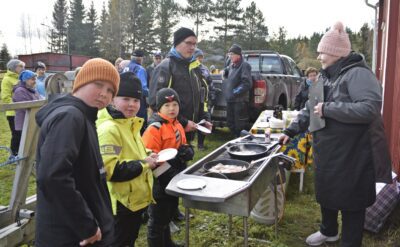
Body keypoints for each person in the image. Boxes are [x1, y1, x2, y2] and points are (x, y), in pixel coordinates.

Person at [279, 22, 392, 247]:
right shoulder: (326, 76)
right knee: (327, 193)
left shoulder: (358, 74)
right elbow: (311, 109)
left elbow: (369, 109)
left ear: (336, 53)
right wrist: (290, 131)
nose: (319, 56)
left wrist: (330, 108)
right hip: (328, 149)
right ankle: (328, 231)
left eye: (322, 51)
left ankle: (350, 242)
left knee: (352, 202)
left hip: (353, 153)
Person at [35, 58, 120, 246]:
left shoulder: (83, 116)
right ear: (81, 83)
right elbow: (53, 176)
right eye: (98, 84)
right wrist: (86, 226)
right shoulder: (70, 116)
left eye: (110, 91)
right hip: (71, 235)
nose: (103, 94)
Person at [97, 71, 158, 246]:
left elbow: (130, 151)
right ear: (113, 99)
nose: (131, 105)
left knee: (129, 239)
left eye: (136, 100)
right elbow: (110, 171)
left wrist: (147, 154)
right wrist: (144, 164)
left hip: (133, 201)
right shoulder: (110, 128)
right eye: (125, 99)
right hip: (120, 204)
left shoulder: (129, 122)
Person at [143, 88, 194, 247]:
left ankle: (168, 244)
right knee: (157, 221)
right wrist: (169, 176)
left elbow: (183, 143)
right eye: (167, 105)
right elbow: (151, 158)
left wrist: (188, 150)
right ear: (159, 108)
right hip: (160, 182)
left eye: (174, 104)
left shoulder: (177, 123)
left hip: (175, 178)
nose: (172, 108)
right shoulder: (154, 129)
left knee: (168, 214)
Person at [149, 27, 212, 142]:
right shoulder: (165, 67)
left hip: (190, 130)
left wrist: (205, 119)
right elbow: (155, 103)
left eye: (195, 44)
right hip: (169, 132)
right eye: (188, 43)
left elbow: (203, 97)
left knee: (185, 158)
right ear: (177, 43)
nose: (192, 47)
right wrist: (183, 123)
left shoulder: (194, 68)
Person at [222, 44, 252, 137]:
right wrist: (224, 72)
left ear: (238, 55)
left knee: (240, 124)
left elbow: (247, 83)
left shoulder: (244, 65)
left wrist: (235, 92)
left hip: (239, 101)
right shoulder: (232, 65)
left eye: (232, 54)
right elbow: (228, 76)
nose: (230, 56)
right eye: (229, 54)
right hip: (230, 100)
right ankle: (235, 139)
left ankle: (239, 141)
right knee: (230, 122)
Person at [1, 59, 25, 158]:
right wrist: (17, 107)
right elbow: (6, 97)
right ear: (13, 67)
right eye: (20, 66)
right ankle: (13, 155)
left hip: (24, 111)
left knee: (24, 134)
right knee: (16, 135)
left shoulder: (21, 78)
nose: (23, 68)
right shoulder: (7, 79)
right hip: (13, 113)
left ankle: (22, 153)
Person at [11, 70, 40, 151]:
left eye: (35, 79)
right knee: (25, 146)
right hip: (24, 122)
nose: (35, 81)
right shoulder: (20, 91)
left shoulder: (33, 90)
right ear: (25, 80)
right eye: (32, 79)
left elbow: (40, 100)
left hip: (33, 120)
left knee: (33, 143)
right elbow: (25, 107)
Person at [125, 49, 149, 133]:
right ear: (140, 58)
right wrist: (152, 94)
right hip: (137, 101)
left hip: (124, 100)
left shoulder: (126, 67)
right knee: (140, 127)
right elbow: (143, 88)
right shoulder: (140, 69)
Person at [193, 48, 212, 150]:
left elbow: (209, 81)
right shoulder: (191, 68)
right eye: (198, 57)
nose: (200, 59)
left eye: (201, 57)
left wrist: (212, 93)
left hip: (204, 100)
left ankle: (200, 144)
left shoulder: (205, 68)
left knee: (204, 121)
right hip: (194, 101)